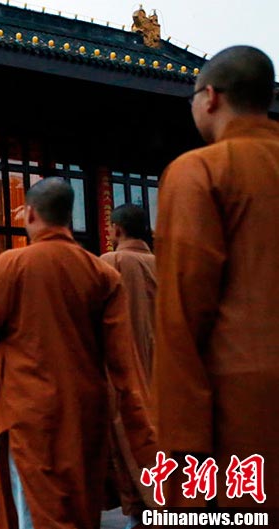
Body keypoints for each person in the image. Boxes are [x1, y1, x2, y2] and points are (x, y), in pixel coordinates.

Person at [0, 179, 156, 529]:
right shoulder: (100, 272)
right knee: (80, 507)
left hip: (30, 413)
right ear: (69, 217)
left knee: (34, 508)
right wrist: (138, 421)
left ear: (31, 213)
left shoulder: (11, 266)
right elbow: (122, 363)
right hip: (87, 414)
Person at [155, 45, 279, 515]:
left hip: (241, 414)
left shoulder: (200, 171)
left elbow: (182, 317)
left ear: (209, 97)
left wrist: (182, 451)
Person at [101, 204, 156, 378]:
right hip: (162, 365)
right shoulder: (163, 263)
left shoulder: (112, 260)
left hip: (124, 364)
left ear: (117, 230)